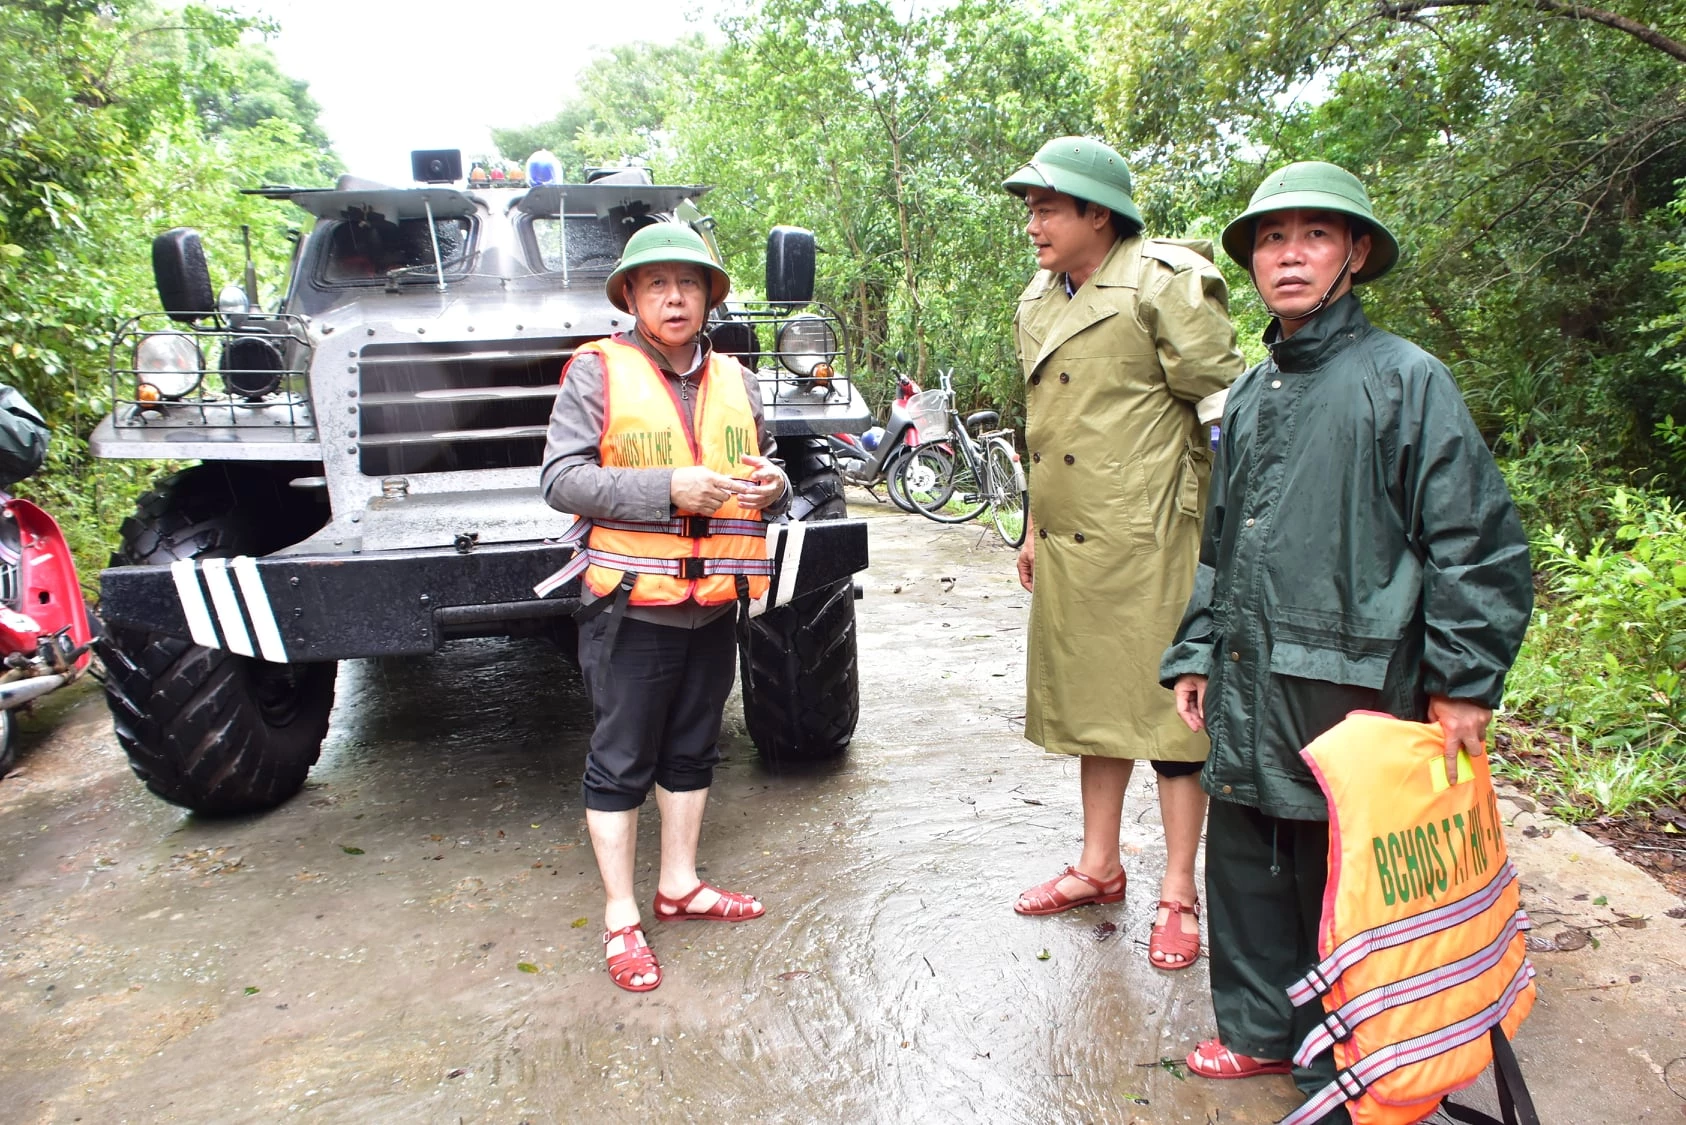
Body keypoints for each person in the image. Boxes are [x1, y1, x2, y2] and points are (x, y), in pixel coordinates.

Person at [1158, 162, 1532, 1115]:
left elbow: (1474, 541)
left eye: (1314, 236)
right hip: (1249, 668)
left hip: (1356, 680)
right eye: (1271, 239)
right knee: (1245, 848)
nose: (1289, 255)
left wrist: (1462, 681)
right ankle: (1255, 1032)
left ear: (1353, 254)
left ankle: (1350, 1054)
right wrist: (1198, 647)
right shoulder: (1245, 394)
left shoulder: (1406, 380)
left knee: (1345, 868)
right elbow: (1221, 541)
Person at [1002, 136, 1244, 969]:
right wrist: (1034, 524)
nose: (1032, 223)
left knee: (1172, 720)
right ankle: (1099, 866)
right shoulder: (1039, 296)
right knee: (1092, 709)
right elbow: (1045, 427)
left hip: (1157, 539)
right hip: (1073, 541)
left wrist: (1228, 540)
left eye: (1046, 207)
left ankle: (1178, 892)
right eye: (1030, 208)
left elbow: (1224, 413)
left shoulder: (1164, 281)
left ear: (1096, 213)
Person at [540, 223, 791, 993]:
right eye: (656, 284)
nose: (674, 296)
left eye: (689, 282)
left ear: (711, 295)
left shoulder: (737, 379)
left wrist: (774, 485)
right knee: (621, 762)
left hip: (714, 603)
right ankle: (622, 916)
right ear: (633, 297)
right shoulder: (597, 372)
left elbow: (768, 458)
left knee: (693, 749)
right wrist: (664, 489)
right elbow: (560, 480)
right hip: (632, 606)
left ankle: (679, 883)